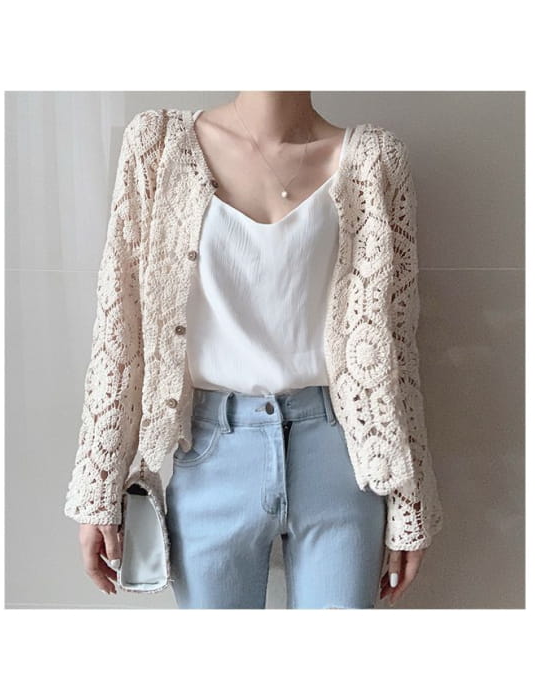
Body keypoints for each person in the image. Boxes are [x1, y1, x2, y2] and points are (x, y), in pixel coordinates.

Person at [64, 91, 444, 608]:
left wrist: (410, 498)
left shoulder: (374, 160)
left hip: (341, 456)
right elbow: (119, 327)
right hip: (211, 454)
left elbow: (395, 347)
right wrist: (99, 486)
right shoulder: (158, 145)